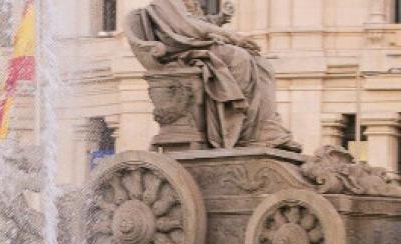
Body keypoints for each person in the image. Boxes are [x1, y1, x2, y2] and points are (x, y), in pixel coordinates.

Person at [129, 0, 302, 152]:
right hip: (184, 52)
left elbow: (198, 23)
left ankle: (265, 128)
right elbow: (188, 27)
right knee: (239, 57)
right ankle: (238, 130)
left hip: (197, 45)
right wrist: (230, 35)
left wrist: (221, 18)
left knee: (262, 64)